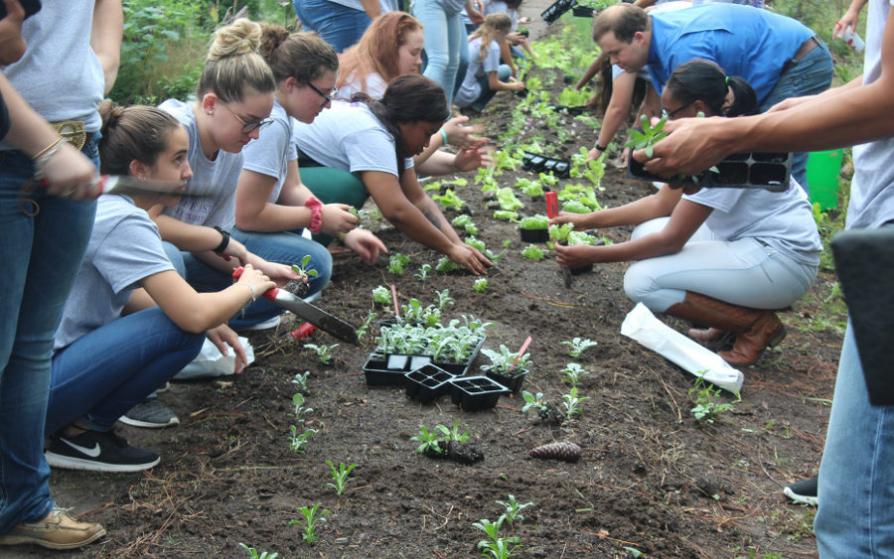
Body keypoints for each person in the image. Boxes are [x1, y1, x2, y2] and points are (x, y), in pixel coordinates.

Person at [634, 2, 894, 554]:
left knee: (857, 522)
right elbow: (877, 82)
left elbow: (890, 98)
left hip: (832, 251)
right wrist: (795, 109)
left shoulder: (726, 138)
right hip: (859, 235)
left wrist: (735, 135)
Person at [44, 104, 275, 474]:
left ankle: (73, 429)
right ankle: (81, 435)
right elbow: (193, 316)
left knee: (181, 317)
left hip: (30, 379)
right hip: (38, 391)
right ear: (140, 170)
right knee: (181, 331)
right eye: (178, 160)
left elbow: (125, 296)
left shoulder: (100, 202)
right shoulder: (123, 220)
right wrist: (248, 287)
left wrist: (207, 310)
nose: (188, 171)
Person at [554, 60, 820, 367]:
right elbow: (661, 205)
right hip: (750, 242)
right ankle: (728, 314)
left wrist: (592, 255)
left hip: (781, 263)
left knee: (642, 282)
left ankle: (754, 326)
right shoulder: (716, 131)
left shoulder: (722, 150)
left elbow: (671, 241)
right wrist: (585, 220)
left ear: (698, 107)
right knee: (646, 232)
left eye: (671, 112)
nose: (666, 120)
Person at [0, 0, 121, 550]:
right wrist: (45, 146)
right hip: (9, 155)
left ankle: (26, 503)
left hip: (78, 144)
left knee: (30, 347)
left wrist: (95, 72)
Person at [156, 18, 307, 333]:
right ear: (211, 103)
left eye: (261, 125)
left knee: (302, 272)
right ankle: (186, 327)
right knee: (170, 256)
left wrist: (257, 270)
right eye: (249, 122)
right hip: (143, 265)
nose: (254, 137)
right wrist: (221, 242)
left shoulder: (230, 154)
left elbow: (212, 243)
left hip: (187, 261)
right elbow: (148, 221)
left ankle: (207, 323)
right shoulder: (175, 132)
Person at [592, 2, 833, 191]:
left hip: (798, 61)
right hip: (768, 61)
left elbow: (707, 124)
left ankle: (794, 233)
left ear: (638, 38)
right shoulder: (655, 32)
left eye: (615, 53)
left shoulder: (684, 51)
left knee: (779, 158)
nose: (613, 62)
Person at [293, 74, 492, 275]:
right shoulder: (372, 133)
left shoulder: (392, 132)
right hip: (278, 183)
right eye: (427, 133)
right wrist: (449, 249)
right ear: (409, 121)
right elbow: (396, 210)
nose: (426, 144)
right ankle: (299, 259)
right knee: (349, 187)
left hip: (297, 176)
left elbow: (417, 199)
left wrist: (458, 244)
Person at [236, 25, 387, 257]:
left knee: (306, 250)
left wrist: (344, 232)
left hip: (238, 228)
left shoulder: (283, 115)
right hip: (226, 231)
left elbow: (292, 186)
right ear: (290, 84)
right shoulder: (272, 124)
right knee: (315, 263)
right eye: (324, 93)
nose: (328, 103)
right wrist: (317, 217)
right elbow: (245, 215)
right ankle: (260, 289)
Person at [335, 11, 490, 176]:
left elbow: (403, 154)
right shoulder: (373, 88)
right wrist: (443, 135)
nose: (419, 61)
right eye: (413, 53)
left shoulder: (366, 69)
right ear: (390, 48)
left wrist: (455, 163)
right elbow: (396, 160)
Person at [454, 12, 524, 111]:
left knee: (502, 72)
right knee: (506, 70)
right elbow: (493, 84)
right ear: (498, 32)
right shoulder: (492, 47)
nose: (506, 39)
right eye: (505, 34)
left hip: (455, 93)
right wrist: (514, 86)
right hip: (466, 96)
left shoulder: (474, 37)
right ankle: (476, 106)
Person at [412, 0, 472, 106]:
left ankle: (444, 117)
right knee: (438, 60)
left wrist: (469, 7)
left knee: (452, 65)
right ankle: (418, 110)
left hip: (454, 6)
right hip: (431, 3)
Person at [292, 0, 392, 53]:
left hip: (314, 6)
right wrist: (384, 26)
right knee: (352, 77)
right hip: (344, 8)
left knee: (317, 75)